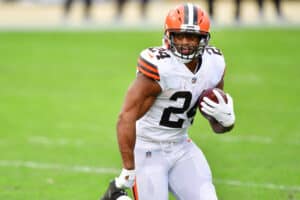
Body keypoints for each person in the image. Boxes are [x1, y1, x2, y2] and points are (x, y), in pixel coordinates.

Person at [101, 3, 236, 200]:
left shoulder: (214, 64)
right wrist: (129, 168)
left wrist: (227, 122)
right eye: (178, 35)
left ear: (203, 39)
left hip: (182, 146)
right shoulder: (160, 66)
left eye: (191, 37)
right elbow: (126, 117)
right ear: (168, 36)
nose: (184, 42)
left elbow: (216, 126)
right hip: (148, 149)